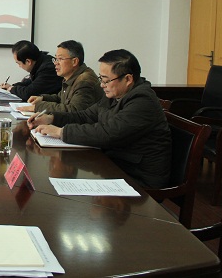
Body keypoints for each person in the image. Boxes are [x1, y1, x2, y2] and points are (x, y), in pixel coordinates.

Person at [27, 49, 170, 189]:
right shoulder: (115, 93)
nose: (102, 85)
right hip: (116, 163)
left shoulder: (142, 101)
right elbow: (85, 116)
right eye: (101, 79)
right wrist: (52, 118)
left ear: (128, 79)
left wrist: (60, 132)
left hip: (137, 176)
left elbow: (108, 133)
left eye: (106, 80)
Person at [23, 40, 104, 113]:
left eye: (60, 59)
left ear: (74, 61)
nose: (56, 63)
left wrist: (39, 106)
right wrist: (42, 98)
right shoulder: (71, 76)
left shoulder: (84, 82)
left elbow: (74, 111)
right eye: (56, 59)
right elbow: (61, 98)